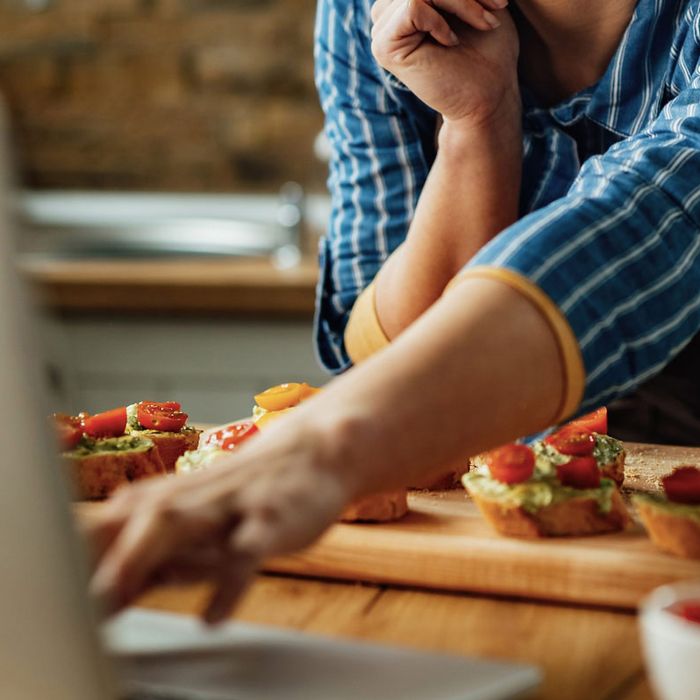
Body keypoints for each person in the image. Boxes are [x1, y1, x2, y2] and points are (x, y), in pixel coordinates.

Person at [86, 0, 700, 623]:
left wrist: (326, 441)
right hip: (509, 565)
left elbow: (655, 220)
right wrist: (476, 122)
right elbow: (384, 346)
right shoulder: (367, 9)